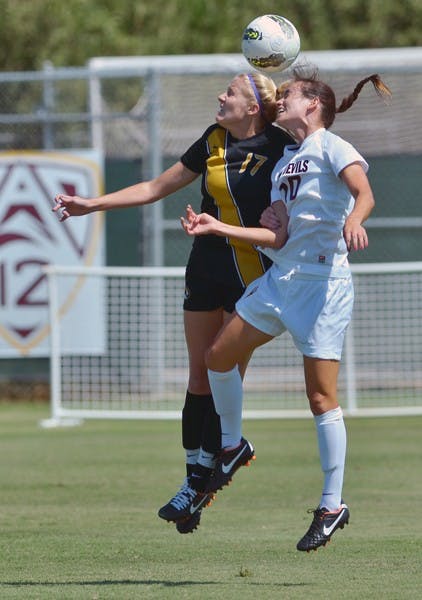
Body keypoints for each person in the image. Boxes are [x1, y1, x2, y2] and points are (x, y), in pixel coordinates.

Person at [53, 72, 295, 533]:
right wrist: (92, 204)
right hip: (205, 266)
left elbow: (306, 192)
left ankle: (204, 482)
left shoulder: (283, 147)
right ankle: (194, 484)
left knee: (222, 370)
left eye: (231, 92)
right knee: (199, 375)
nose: (220, 96)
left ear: (253, 108)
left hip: (252, 275)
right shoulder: (213, 140)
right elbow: (153, 188)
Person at [181, 68, 391, 550]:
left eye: (291, 93)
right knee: (217, 356)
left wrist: (355, 221)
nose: (283, 99)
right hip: (281, 280)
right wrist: (219, 228)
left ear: (313, 104)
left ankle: (332, 504)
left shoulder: (333, 146)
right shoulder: (285, 162)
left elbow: (365, 193)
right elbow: (277, 236)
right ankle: (231, 444)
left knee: (320, 398)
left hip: (322, 287)